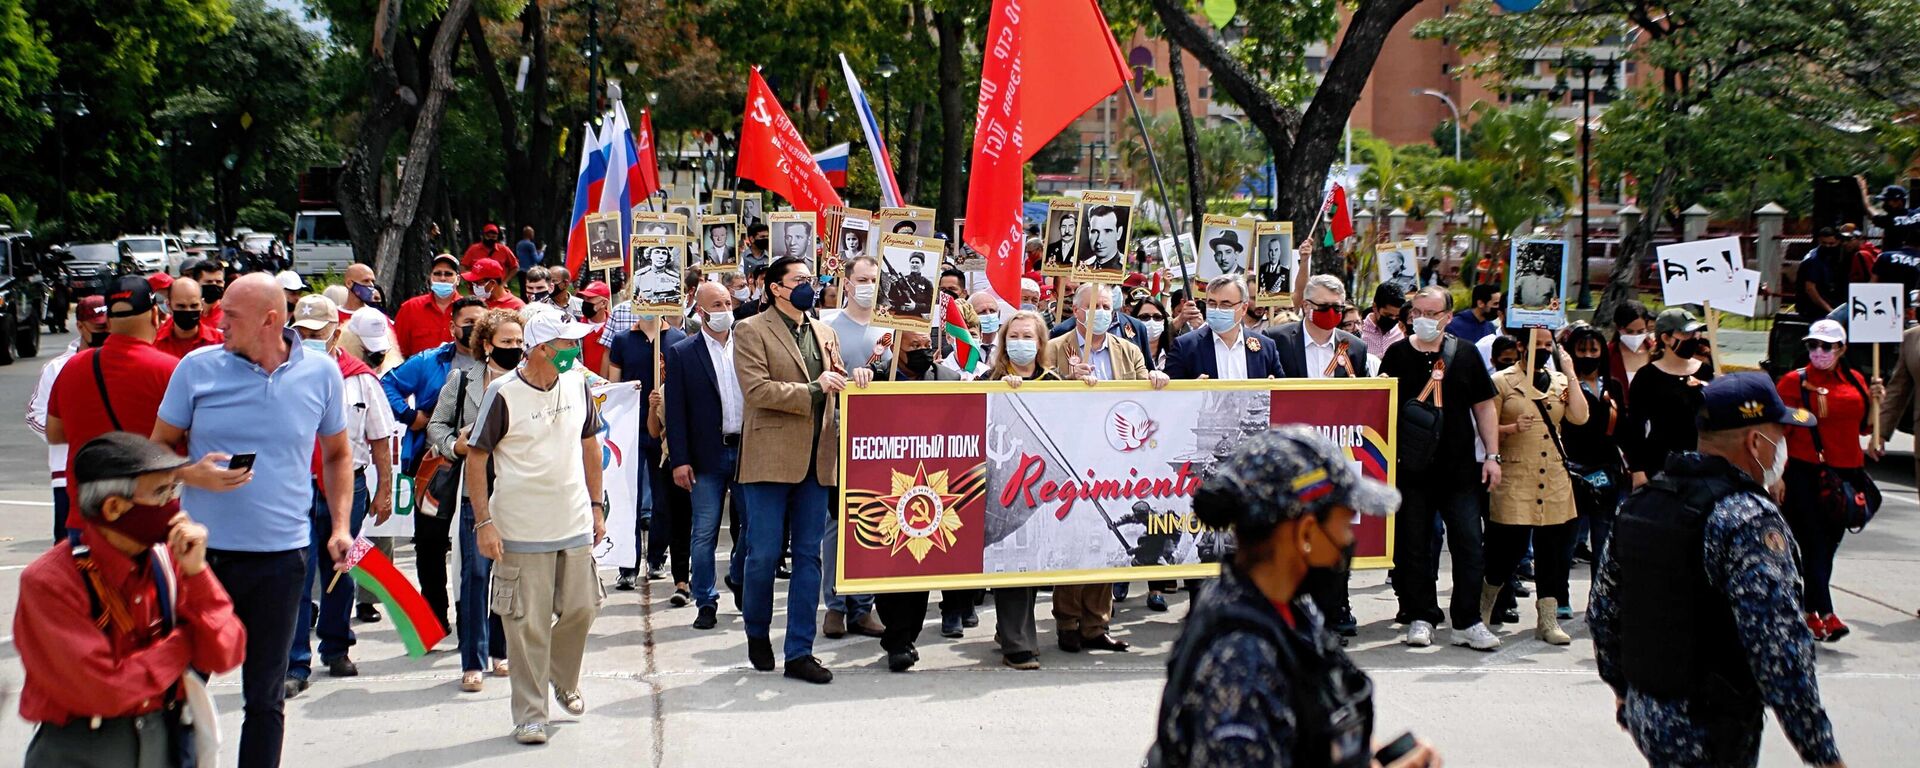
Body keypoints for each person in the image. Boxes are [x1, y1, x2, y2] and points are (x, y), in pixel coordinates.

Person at [1591, 372, 1844, 767]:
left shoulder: (1643, 503)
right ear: (1755, 442)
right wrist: (1822, 752)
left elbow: (1604, 612)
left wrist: (1623, 690)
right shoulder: (1747, 519)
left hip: (1650, 713)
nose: (1784, 449)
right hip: (1713, 723)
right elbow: (1779, 647)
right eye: (1781, 437)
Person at [152, 272, 351, 768]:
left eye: (230, 317)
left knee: (265, 697)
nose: (218, 323)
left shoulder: (321, 372)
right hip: (202, 561)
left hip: (283, 560)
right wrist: (189, 475)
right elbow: (153, 451)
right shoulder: (197, 369)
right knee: (181, 689)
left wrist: (342, 525)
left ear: (269, 320)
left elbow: (338, 455)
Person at [1148, 427, 1437, 768]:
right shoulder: (1241, 659)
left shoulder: (1286, 606)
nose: (1347, 541)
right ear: (1306, 533)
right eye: (1345, 525)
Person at [14, 432, 247, 768]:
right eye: (161, 493)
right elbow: (104, 690)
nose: (174, 505)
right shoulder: (51, 582)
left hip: (162, 736)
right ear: (114, 508)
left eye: (174, 489)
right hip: (83, 745)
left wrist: (198, 575)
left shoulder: (171, 560)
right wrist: (183, 645)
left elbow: (227, 651)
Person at [464, 308, 606, 745]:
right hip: (521, 528)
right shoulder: (503, 393)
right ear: (543, 348)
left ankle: (562, 676)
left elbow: (590, 446)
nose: (576, 350)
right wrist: (483, 522)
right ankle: (530, 713)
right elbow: (477, 457)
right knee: (525, 624)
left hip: (574, 519)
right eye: (567, 344)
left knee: (583, 608)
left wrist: (597, 506)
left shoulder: (578, 383)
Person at [732, 255, 842, 684]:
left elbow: (836, 381)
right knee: (762, 555)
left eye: (811, 280)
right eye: (799, 280)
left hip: (818, 459)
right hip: (770, 458)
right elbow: (757, 390)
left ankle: (800, 650)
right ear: (775, 287)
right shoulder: (751, 330)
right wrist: (815, 388)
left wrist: (855, 379)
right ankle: (757, 631)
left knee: (809, 557)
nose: (808, 286)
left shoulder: (824, 330)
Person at [1044, 284, 1168, 656]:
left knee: (1107, 539)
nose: (1100, 312)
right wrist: (1067, 382)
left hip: (1113, 462)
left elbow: (1142, 389)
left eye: (1106, 306)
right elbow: (1040, 395)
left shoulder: (1128, 350)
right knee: (1074, 538)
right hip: (1070, 458)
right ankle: (1067, 622)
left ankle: (1097, 623)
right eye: (1092, 305)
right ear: (1077, 310)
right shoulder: (1054, 347)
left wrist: (1156, 381)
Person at [1379, 286, 1504, 651]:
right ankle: (1421, 615)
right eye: (1417, 311)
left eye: (1432, 313)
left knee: (1469, 544)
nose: (1423, 319)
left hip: (1460, 469)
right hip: (1412, 470)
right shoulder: (1397, 354)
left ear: (1448, 317)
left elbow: (1484, 408)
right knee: (1415, 545)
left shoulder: (1464, 354)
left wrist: (1493, 457)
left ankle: (1467, 621)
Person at [284, 296, 398, 691]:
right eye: (303, 332)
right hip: (296, 485)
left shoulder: (360, 377)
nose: (311, 338)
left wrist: (385, 489)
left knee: (341, 569)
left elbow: (380, 437)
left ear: (336, 331)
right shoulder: (281, 373)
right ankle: (294, 662)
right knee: (296, 572)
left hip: (348, 483)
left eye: (318, 332)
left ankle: (335, 648)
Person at [1265, 274, 1369, 640]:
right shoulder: (1277, 341)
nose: (1331, 314)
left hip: (1337, 456)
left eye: (1338, 308)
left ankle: (1336, 606)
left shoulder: (1354, 347)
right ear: (1306, 306)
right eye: (1324, 307)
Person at [428, 309, 521, 692]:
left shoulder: (525, 381)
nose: (515, 349)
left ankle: (501, 651)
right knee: (475, 574)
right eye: (507, 343)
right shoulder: (463, 380)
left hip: (516, 492)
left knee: (506, 573)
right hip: (474, 492)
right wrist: (455, 446)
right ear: (486, 345)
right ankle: (473, 658)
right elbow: (437, 425)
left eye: (519, 343)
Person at [46, 277, 181, 532]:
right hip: (146, 521)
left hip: (86, 517)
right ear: (155, 315)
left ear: (108, 322)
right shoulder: (170, 370)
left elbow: (54, 433)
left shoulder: (72, 367)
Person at [1777, 320, 1883, 642]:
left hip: (1847, 474)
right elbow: (1781, 424)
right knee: (1814, 544)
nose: (1819, 352)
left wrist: (1877, 400)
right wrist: (1806, 413)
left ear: (1841, 349)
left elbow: (1864, 426)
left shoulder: (1856, 379)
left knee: (1828, 545)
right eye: (1813, 345)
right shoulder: (1794, 381)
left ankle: (1809, 610)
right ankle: (1825, 613)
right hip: (1806, 472)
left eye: (1826, 346)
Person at [1483, 328, 1588, 645]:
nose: (1542, 350)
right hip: (1516, 474)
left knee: (1553, 552)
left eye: (1548, 346)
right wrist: (1512, 427)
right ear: (1520, 346)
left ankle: (1548, 619)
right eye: (1537, 345)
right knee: (1506, 550)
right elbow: (1485, 430)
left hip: (1554, 476)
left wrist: (1569, 373)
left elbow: (1580, 417)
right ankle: (1483, 609)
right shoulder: (1502, 381)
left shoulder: (1559, 383)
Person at [665, 281, 752, 631]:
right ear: (701, 311)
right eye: (717, 304)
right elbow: (676, 412)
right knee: (704, 533)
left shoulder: (748, 346)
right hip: (705, 457)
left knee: (753, 528)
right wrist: (679, 459)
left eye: (728, 302)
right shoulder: (683, 353)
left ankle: (738, 575)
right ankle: (706, 599)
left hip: (748, 452)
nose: (725, 309)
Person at [983, 310, 1064, 670]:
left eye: (1028, 336)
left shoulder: (1054, 380)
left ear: (1041, 343)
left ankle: (1009, 628)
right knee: (1013, 561)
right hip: (1004, 487)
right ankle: (1017, 643)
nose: (1020, 343)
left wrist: (1089, 389)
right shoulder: (989, 379)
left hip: (1041, 487)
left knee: (1033, 563)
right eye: (1013, 336)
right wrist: (999, 388)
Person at [607, 311, 690, 600]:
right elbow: (613, 386)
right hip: (629, 428)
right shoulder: (622, 340)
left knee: (663, 500)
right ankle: (627, 564)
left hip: (664, 431)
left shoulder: (678, 339)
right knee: (627, 499)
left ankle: (656, 557)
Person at [27, 295, 106, 541]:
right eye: (99, 327)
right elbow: (35, 415)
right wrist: (68, 433)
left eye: (109, 326)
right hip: (66, 474)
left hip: (114, 474)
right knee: (68, 550)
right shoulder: (57, 368)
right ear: (81, 326)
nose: (106, 332)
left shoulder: (122, 364)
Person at [1621, 308, 1714, 487]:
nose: (1694, 337)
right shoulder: (1647, 376)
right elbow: (1634, 428)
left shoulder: (1706, 371)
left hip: (1700, 463)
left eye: (1696, 332)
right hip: (1661, 465)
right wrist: (1638, 471)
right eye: (1687, 333)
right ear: (1666, 338)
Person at [1562, 324, 1627, 575]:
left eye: (1593, 350)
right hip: (1572, 469)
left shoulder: (1614, 387)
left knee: (1604, 539)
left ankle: (1599, 600)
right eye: (1581, 350)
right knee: (1568, 538)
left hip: (1606, 471)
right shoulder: (1563, 385)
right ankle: (1560, 595)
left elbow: (1622, 429)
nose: (1588, 356)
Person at [1163, 275, 1283, 380]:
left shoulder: (1266, 347)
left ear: (1244, 308)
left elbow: (1284, 393)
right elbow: (1171, 398)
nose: (1217, 309)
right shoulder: (1185, 346)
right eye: (1212, 303)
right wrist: (1195, 392)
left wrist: (1272, 389)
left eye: (1225, 304)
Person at [395, 254, 466, 357]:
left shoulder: (469, 309)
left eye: (448, 274)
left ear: (458, 279)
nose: (442, 278)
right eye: (437, 273)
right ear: (430, 278)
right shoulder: (410, 308)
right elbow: (397, 352)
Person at [1796, 227, 1872, 319]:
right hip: (1814, 308)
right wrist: (1830, 311)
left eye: (1831, 243)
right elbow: (1810, 289)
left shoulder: (1839, 255)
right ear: (1819, 241)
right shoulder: (1813, 260)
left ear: (1838, 241)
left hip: (1834, 302)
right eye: (1824, 243)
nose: (1828, 246)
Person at [155, 277, 224, 358]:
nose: (188, 311)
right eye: (181, 306)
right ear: (169, 306)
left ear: (201, 305)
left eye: (194, 306)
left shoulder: (219, 342)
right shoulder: (156, 342)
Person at [1605, 300, 1654, 410]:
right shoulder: (1608, 354)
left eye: (1640, 331)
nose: (1635, 336)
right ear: (1618, 328)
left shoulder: (1657, 352)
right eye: (1629, 331)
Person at [1127, 295, 1172, 370]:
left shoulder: (1175, 352)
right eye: (1144, 317)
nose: (1151, 321)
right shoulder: (1126, 352)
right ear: (1134, 320)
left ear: (1164, 321)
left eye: (1157, 317)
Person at [577, 280, 613, 375]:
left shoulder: (614, 328)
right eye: (584, 299)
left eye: (589, 299)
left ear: (604, 303)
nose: (585, 302)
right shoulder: (577, 327)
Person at [1870, 183, 1919, 251]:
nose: (1884, 204)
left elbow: (1874, 216)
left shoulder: (1891, 220)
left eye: (1887, 201)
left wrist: (1865, 200)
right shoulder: (1914, 215)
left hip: (1893, 257)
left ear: (1899, 202)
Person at [885, 251, 934, 318]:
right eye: (912, 262)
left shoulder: (927, 283)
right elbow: (892, 298)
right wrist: (893, 284)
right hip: (900, 315)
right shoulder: (902, 280)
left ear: (922, 264)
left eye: (917, 262)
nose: (914, 264)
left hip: (917, 318)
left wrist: (916, 306)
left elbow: (931, 306)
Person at [184, 258, 227, 330]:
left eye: (218, 282)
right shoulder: (187, 314)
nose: (214, 285)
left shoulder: (228, 315)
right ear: (196, 284)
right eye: (209, 282)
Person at [1081, 205, 1125, 271]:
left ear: (1119, 233)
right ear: (1088, 232)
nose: (1099, 240)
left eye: (1107, 231)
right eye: (1095, 231)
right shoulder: (1084, 267)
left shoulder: (1125, 266)